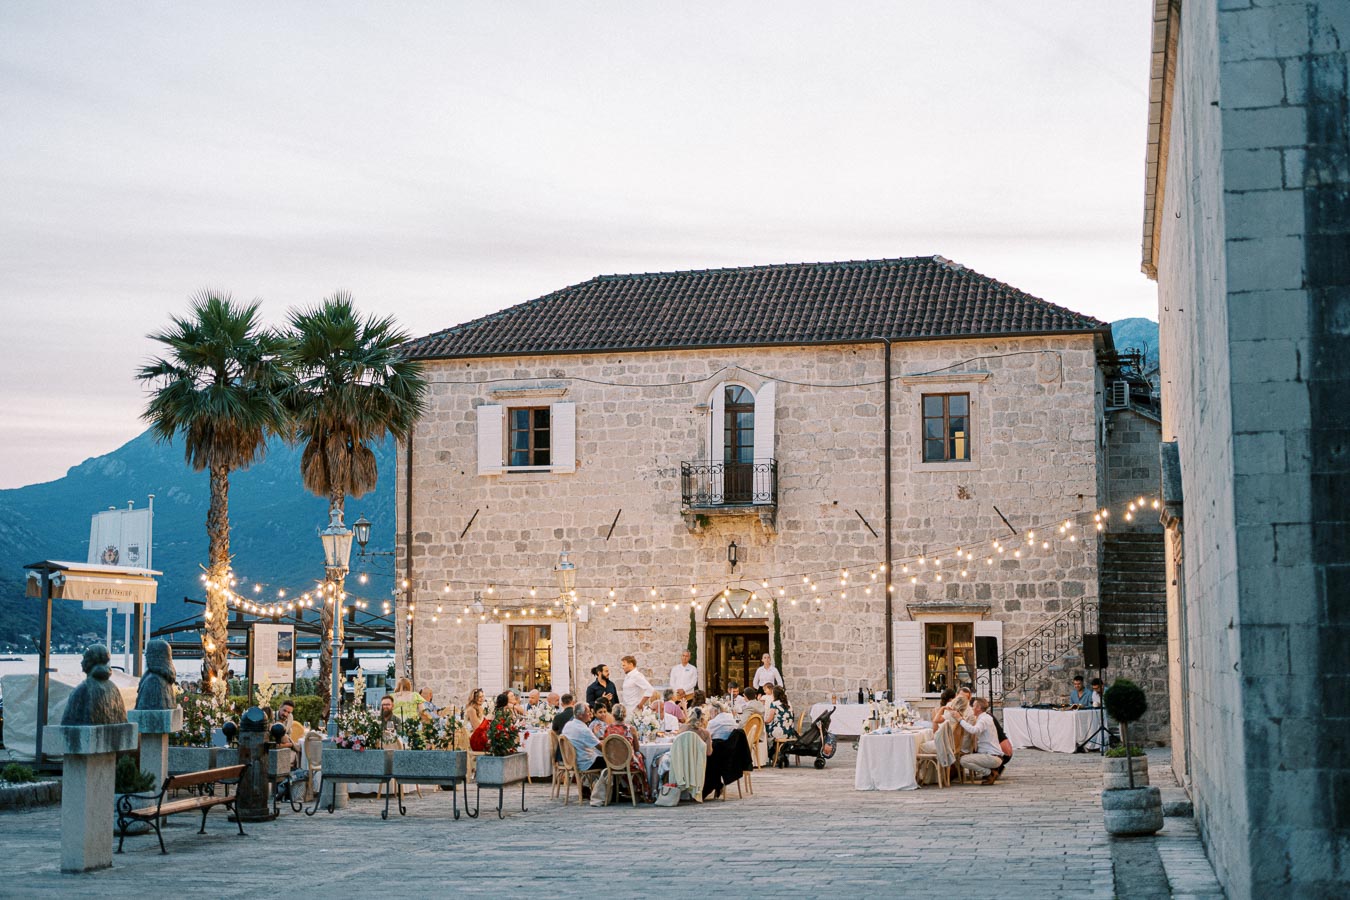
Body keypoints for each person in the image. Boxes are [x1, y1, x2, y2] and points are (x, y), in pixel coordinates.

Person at [604, 705, 651, 801]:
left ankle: (630, 789)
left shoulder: (607, 729)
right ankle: (642, 790)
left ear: (613, 714)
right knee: (640, 756)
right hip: (628, 762)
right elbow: (637, 748)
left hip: (612, 762)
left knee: (637, 756)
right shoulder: (630, 729)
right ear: (625, 715)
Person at [955, 698, 1005, 783]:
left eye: (973, 706)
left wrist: (960, 719)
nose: (972, 708)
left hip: (992, 757)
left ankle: (989, 773)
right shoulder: (985, 717)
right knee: (966, 758)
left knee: (963, 760)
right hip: (994, 756)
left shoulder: (983, 719)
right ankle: (990, 772)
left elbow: (974, 730)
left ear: (978, 708)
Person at [561, 702, 605, 771]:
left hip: (572, 761)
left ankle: (601, 780)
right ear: (581, 715)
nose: (591, 714)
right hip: (585, 763)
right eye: (588, 712)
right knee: (614, 761)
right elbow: (601, 748)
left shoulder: (568, 725)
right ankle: (609, 781)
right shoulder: (584, 730)